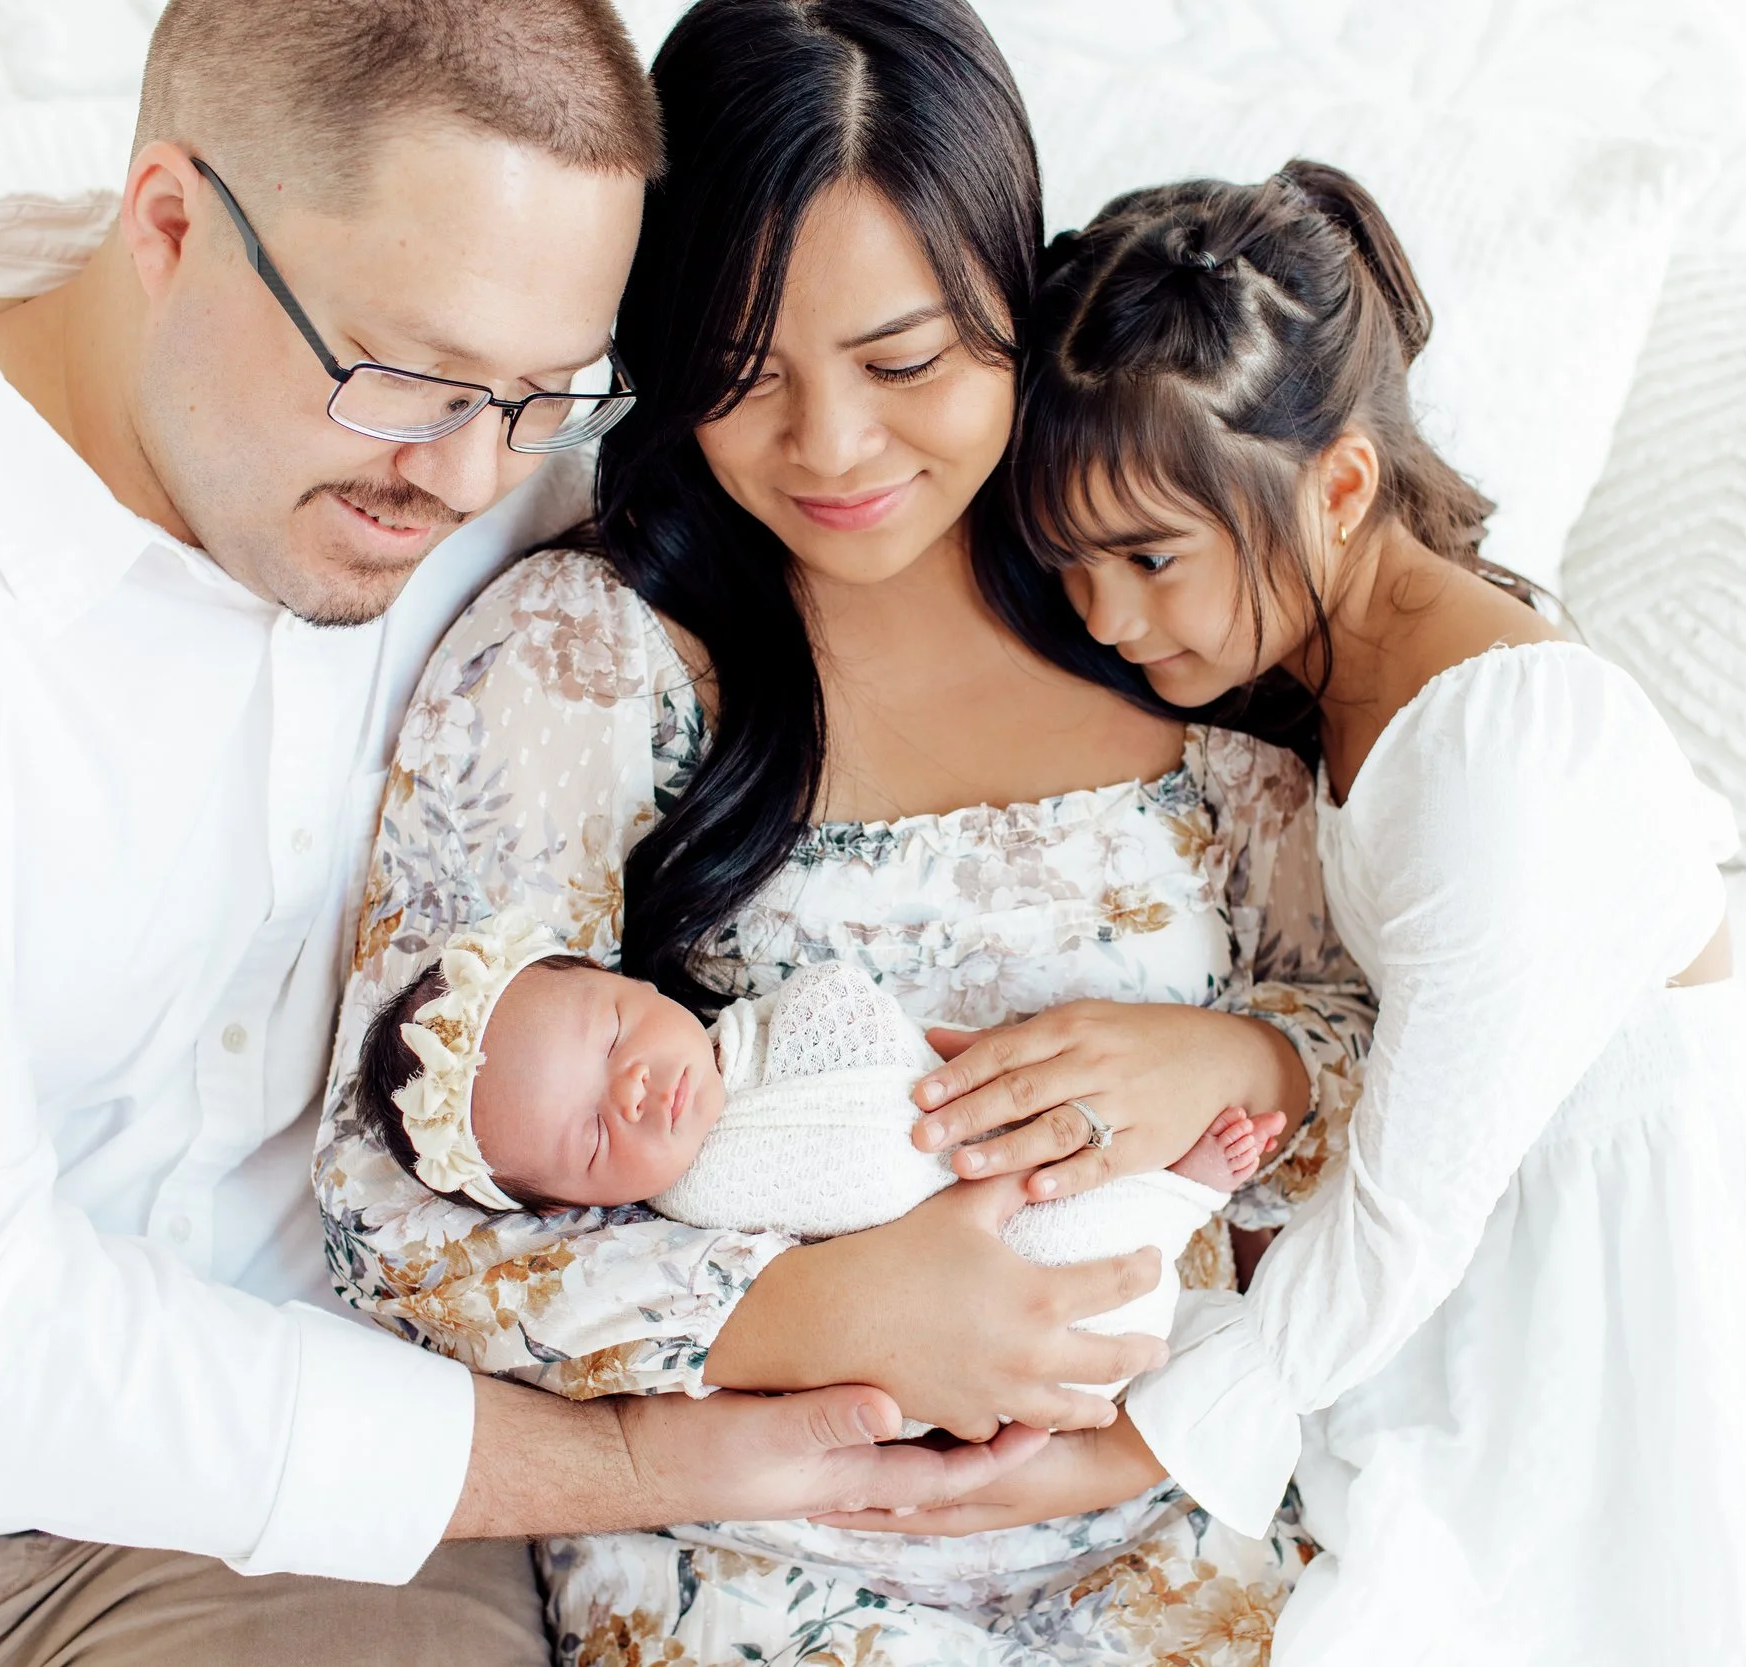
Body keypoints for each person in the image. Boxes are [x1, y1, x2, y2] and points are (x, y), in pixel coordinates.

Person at [0, 3, 1056, 1662]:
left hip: (327, 1522)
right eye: (407, 375)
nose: (469, 473)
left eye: (541, 394)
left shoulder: (525, 497)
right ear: (167, 222)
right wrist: (628, 1457)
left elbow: (967, 392)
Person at [314, 2, 1373, 1662]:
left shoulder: (1184, 613)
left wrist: (1235, 1071)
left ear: (1019, 307)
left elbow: (1415, 1086)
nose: (833, 448)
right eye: (742, 375)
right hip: (772, 1571)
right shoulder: (592, 659)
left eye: (904, 362)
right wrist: (802, 1310)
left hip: (1196, 1524)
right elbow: (384, 1208)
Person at [976, 159, 1746, 1663]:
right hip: (1497, 1243)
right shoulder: (1346, 670)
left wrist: (1147, 1438)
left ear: (1339, 485)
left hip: (1638, 1310)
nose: (1108, 617)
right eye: (1072, 561)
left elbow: (1411, 1207)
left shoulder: (1504, 748)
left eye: (1150, 557)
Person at [346, 908, 1281, 1356]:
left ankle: (1184, 1189)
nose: (632, 1090)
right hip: (966, 1281)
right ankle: (1186, 1194)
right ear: (577, 1208)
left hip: (993, 1131)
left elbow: (865, 1020)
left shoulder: (755, 1026)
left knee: (1076, 1175)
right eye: (592, 1139)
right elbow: (866, 1177)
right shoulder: (698, 1207)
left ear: (630, 980)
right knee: (1056, 1232)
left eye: (615, 1033)